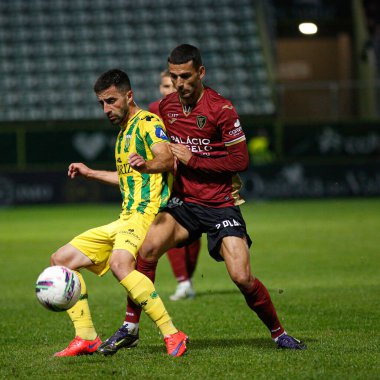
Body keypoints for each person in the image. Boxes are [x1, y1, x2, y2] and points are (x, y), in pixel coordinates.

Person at [99, 44, 307, 355]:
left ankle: (279, 334)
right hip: (184, 204)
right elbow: (139, 117)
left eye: (185, 76)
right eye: (174, 76)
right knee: (149, 247)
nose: (179, 83)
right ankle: (131, 327)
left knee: (241, 276)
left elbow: (240, 161)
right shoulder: (164, 107)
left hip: (220, 204)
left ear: (201, 73)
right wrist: (117, 107)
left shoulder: (221, 109)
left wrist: (194, 160)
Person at [50, 69, 188, 357]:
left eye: (111, 101)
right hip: (126, 217)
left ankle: (172, 333)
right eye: (101, 103)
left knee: (120, 264)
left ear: (129, 95)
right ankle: (86, 336)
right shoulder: (124, 134)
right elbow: (126, 177)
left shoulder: (147, 122)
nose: (106, 109)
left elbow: (165, 157)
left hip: (147, 213)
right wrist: (90, 173)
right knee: (60, 260)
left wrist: (147, 164)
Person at [149, 69, 200, 301]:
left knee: (193, 233)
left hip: (194, 177)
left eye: (171, 86)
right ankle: (183, 281)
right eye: (165, 86)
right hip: (168, 180)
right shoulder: (153, 110)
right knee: (169, 227)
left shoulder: (193, 109)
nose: (169, 90)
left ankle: (187, 280)